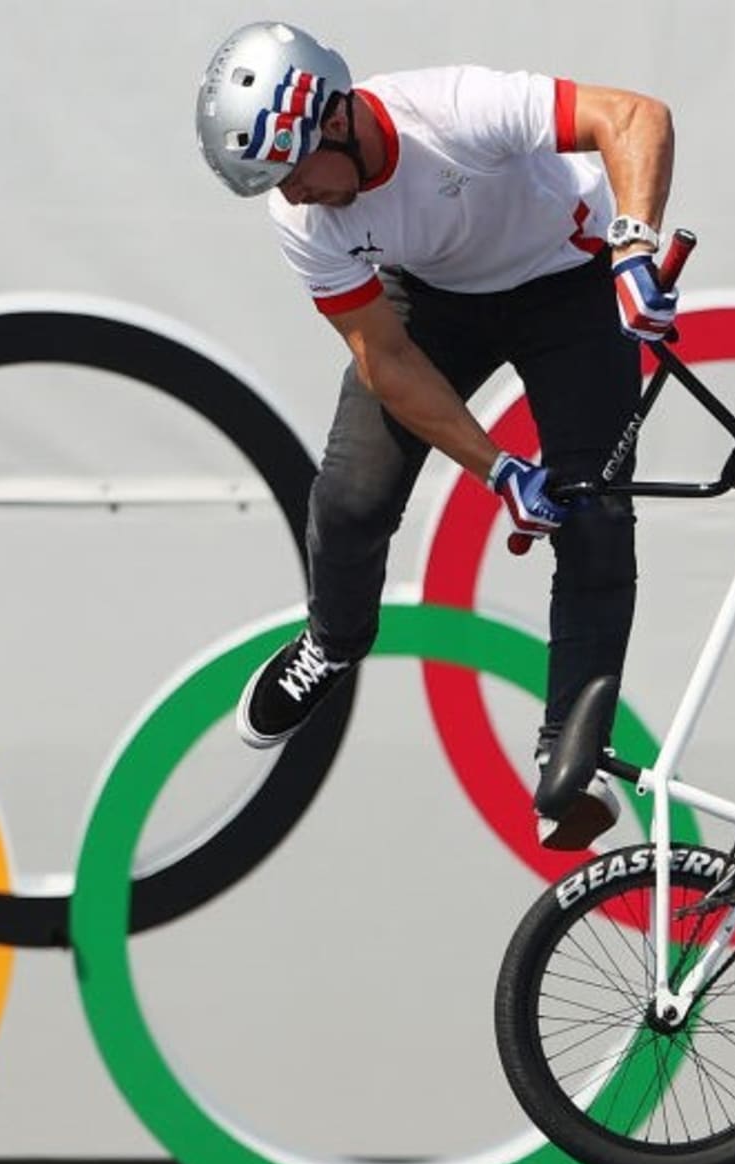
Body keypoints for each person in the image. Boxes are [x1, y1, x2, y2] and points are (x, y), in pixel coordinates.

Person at [196, 21, 677, 848]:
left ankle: (573, 756)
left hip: (572, 285)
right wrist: (497, 472)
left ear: (333, 117)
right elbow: (385, 356)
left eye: (293, 171)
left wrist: (635, 246)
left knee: (593, 518)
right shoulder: (304, 220)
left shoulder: (451, 109)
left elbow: (634, 115)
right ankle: (333, 640)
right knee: (349, 497)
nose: (293, 195)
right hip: (436, 297)